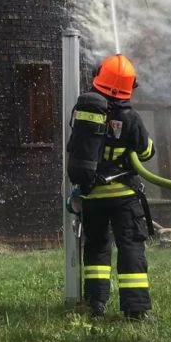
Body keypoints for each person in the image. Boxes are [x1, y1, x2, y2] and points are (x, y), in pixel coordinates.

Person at [67, 54, 156, 319]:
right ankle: (135, 309)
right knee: (130, 247)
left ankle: (95, 305)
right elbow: (147, 151)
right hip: (124, 195)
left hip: (93, 195)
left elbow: (74, 147)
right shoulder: (131, 118)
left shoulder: (85, 113)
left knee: (96, 247)